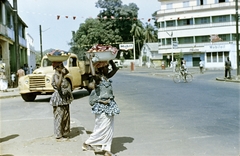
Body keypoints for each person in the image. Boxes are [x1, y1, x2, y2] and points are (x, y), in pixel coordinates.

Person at [82, 54, 120, 156]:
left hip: (109, 106)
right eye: (106, 67)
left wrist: (110, 59)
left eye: (107, 67)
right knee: (102, 127)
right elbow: (93, 74)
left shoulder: (106, 77)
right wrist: (90, 60)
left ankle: (107, 149)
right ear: (101, 69)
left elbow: (115, 69)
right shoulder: (98, 79)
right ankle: (87, 143)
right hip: (102, 106)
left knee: (109, 128)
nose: (108, 69)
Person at [49, 62, 73, 140]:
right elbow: (58, 86)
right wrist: (61, 74)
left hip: (64, 99)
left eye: (63, 65)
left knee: (65, 116)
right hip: (59, 99)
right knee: (59, 116)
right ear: (56, 68)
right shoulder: (55, 76)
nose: (62, 67)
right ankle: (58, 135)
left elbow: (67, 71)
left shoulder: (61, 74)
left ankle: (64, 132)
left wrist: (62, 70)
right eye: (60, 66)